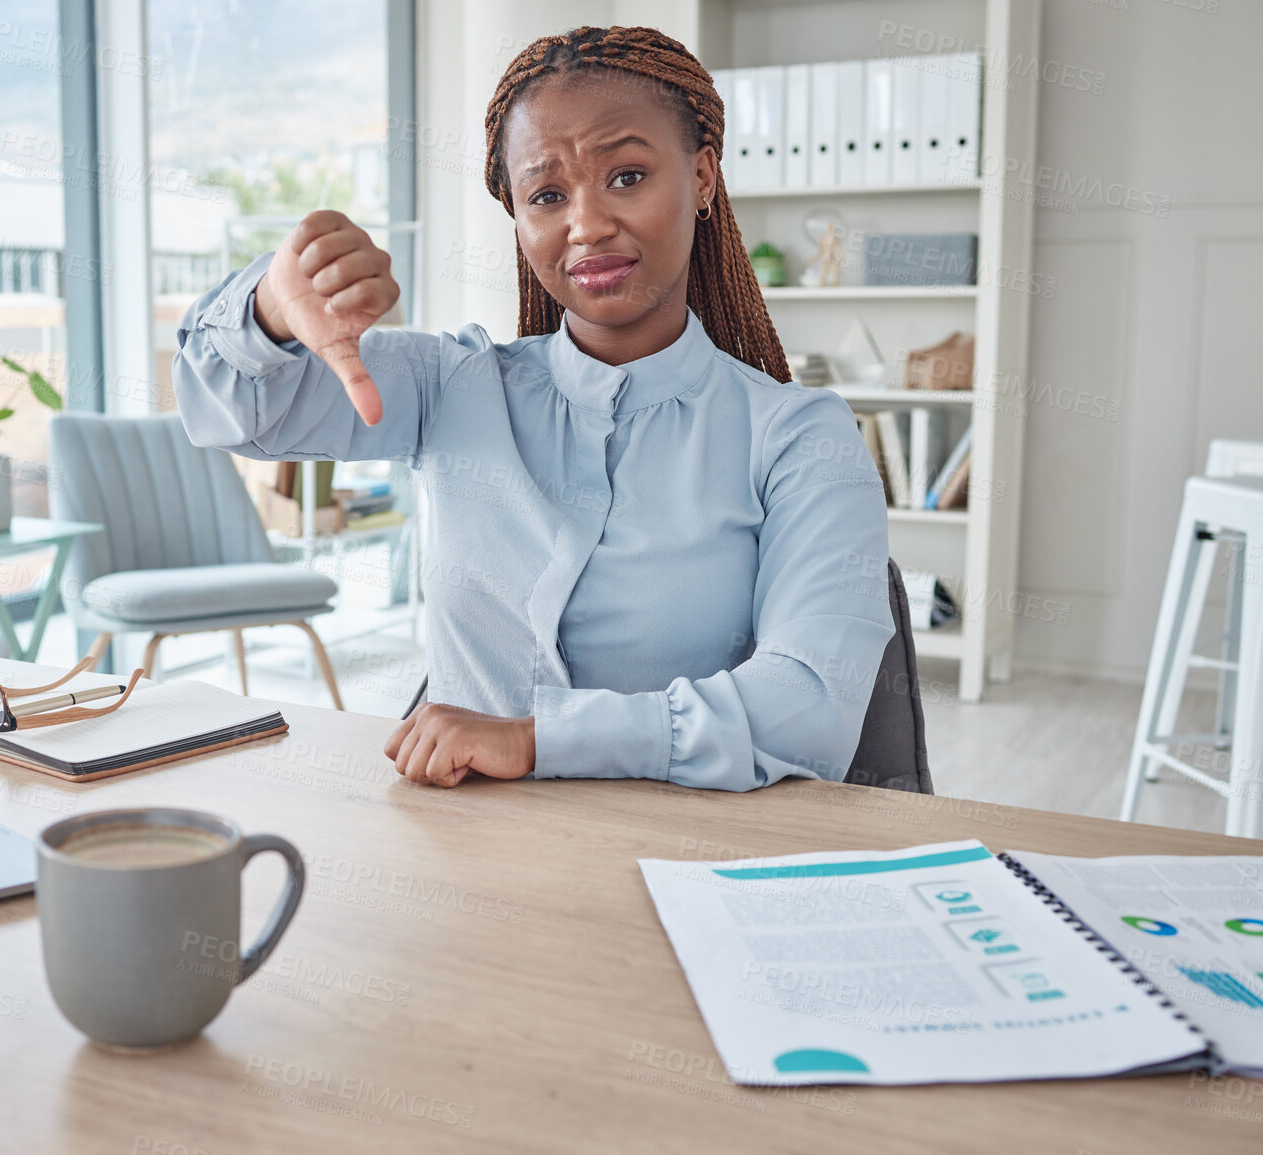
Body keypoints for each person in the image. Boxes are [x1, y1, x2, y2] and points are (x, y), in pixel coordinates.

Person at [171, 26, 892, 792]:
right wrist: (270, 309)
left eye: (626, 176)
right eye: (546, 194)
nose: (585, 224)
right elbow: (231, 412)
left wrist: (540, 738)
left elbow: (810, 709)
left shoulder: (798, 436)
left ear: (704, 176)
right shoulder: (452, 384)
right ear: (516, 216)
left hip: (686, 860)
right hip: (464, 855)